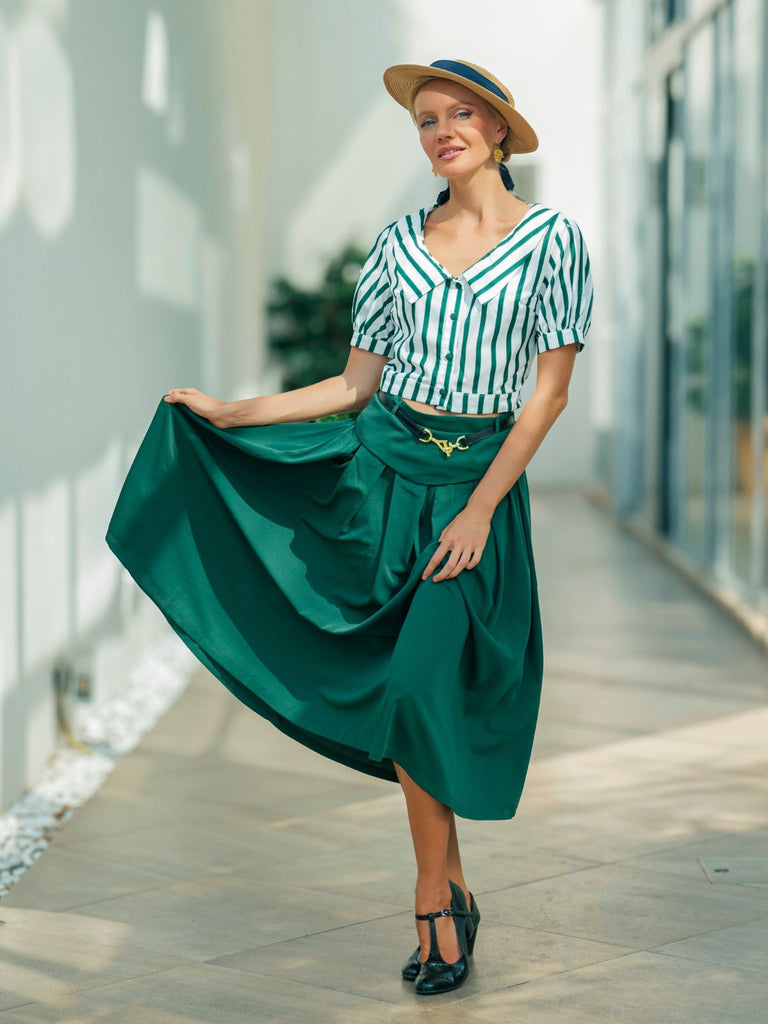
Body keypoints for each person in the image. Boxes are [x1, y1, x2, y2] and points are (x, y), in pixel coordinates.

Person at [105, 57, 594, 997]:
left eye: (461, 115)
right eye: (425, 119)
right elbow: (353, 385)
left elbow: (550, 394)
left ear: (499, 131)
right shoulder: (397, 244)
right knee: (406, 698)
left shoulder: (552, 242)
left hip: (474, 492)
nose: (441, 129)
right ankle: (449, 892)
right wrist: (232, 413)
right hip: (380, 476)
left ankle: (430, 893)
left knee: (419, 689)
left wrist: (485, 507)